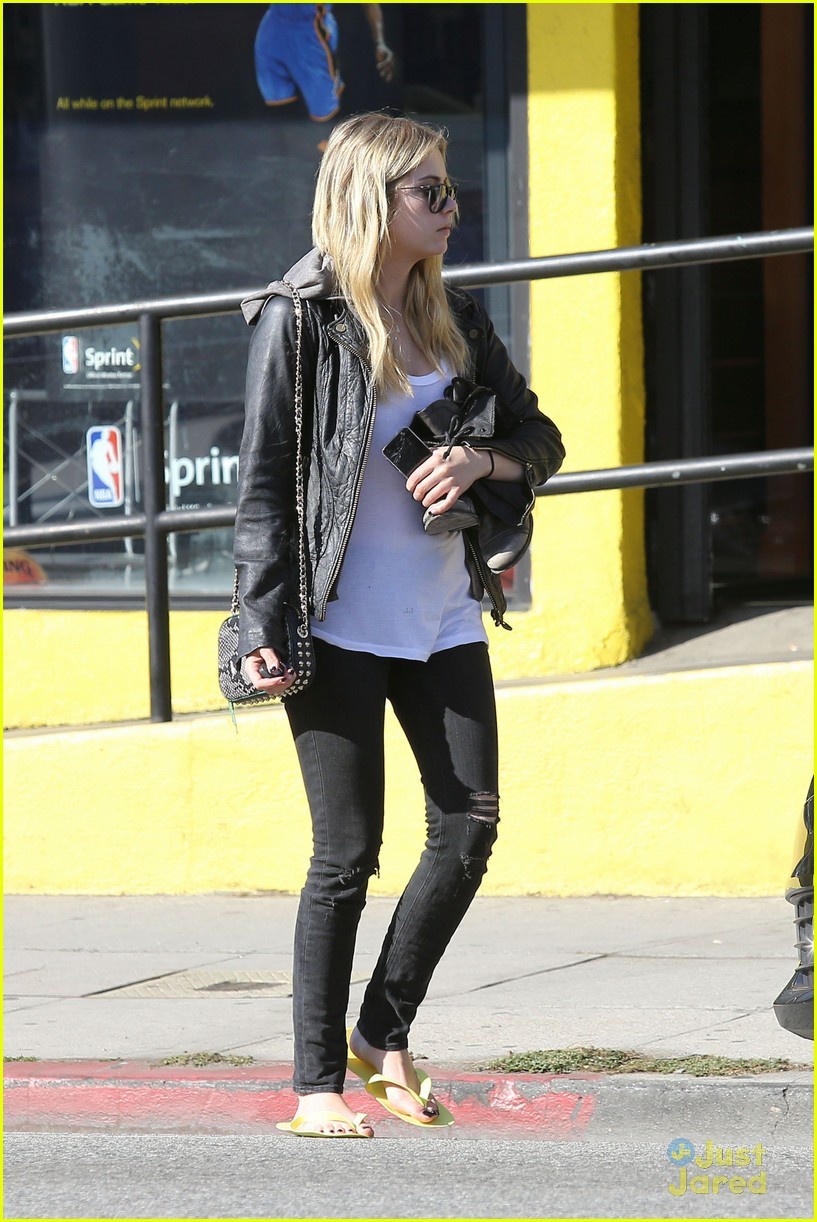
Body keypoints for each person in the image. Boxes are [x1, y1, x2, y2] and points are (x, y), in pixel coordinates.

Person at [234, 112, 565, 1138]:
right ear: (370, 199)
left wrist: (479, 460)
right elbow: (263, 486)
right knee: (346, 855)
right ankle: (314, 1087)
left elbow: (540, 437)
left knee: (468, 827)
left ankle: (381, 1034)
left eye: (449, 188)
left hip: (443, 615)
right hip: (335, 625)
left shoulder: (455, 316)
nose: (451, 207)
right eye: (431, 192)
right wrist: (260, 617)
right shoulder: (299, 319)